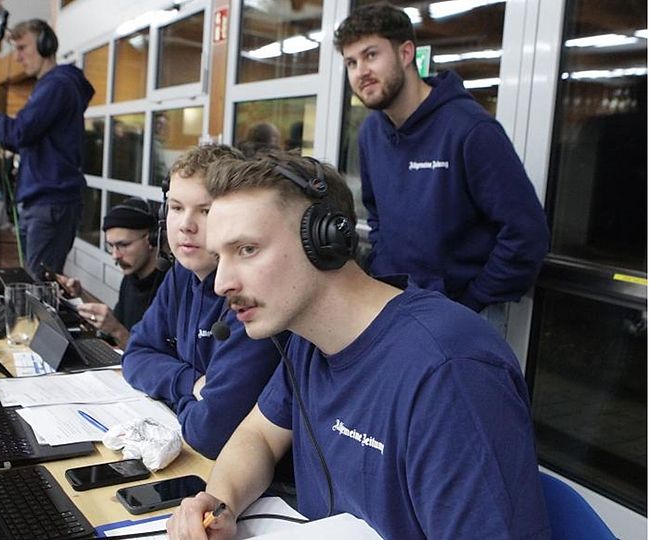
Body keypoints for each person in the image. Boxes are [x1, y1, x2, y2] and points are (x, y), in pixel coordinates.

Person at [166, 152, 549, 539]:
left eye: (246, 250)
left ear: (325, 240)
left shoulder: (450, 372)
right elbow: (259, 436)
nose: (221, 283)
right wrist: (218, 501)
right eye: (220, 257)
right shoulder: (307, 340)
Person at [336, 3, 549, 333]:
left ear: (406, 53)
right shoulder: (370, 133)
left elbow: (526, 234)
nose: (360, 71)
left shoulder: (471, 130)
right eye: (351, 62)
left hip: (463, 317)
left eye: (371, 55)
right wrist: (382, 269)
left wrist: (472, 301)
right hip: (393, 305)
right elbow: (377, 214)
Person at [121, 145, 282, 460]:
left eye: (204, 211)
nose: (185, 225)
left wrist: (169, 389)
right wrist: (190, 382)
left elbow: (212, 430)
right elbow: (136, 354)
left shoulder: (251, 293)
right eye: (177, 207)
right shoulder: (182, 272)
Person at [0, 18, 95, 280]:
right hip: (43, 201)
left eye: (22, 47)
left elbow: (18, 133)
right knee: (35, 281)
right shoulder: (51, 85)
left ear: (45, 44)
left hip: (50, 202)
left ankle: (40, 322)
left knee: (38, 285)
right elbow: (17, 138)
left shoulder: (57, 84)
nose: (18, 57)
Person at [55, 197, 167, 348]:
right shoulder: (131, 277)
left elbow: (152, 359)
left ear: (152, 240)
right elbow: (115, 322)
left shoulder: (170, 287)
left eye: (123, 245)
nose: (115, 255)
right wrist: (80, 295)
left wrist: (117, 331)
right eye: (111, 246)